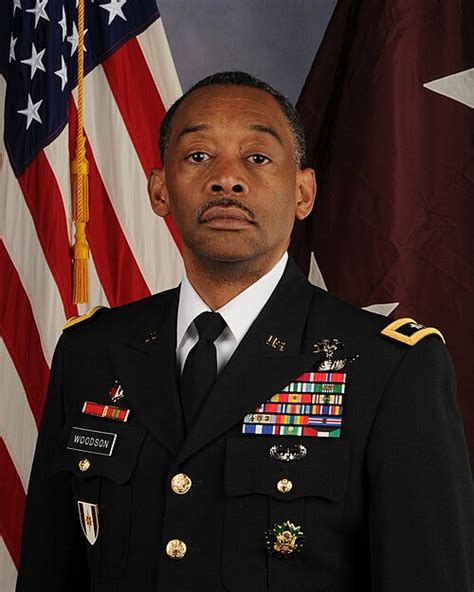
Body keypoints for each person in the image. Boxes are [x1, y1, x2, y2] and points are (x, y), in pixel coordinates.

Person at [16, 71, 473, 592]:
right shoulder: (91, 352)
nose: (226, 179)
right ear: (159, 191)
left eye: (257, 157)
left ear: (303, 193)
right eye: (198, 156)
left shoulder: (390, 368)